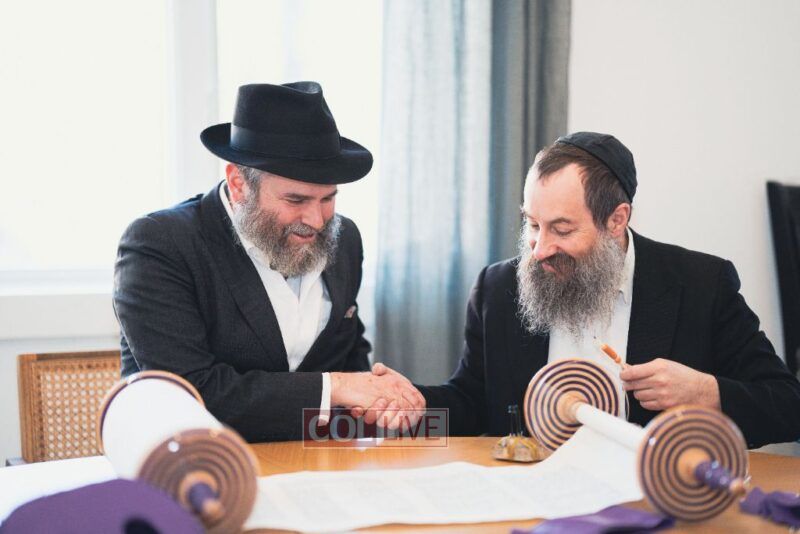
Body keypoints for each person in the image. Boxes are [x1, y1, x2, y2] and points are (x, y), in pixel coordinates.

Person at [375, 131, 800, 448]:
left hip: (649, 503)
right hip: (532, 500)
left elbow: (788, 405)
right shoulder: (498, 286)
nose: (539, 249)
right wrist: (412, 403)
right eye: (532, 224)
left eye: (561, 229)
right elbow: (473, 402)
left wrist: (707, 392)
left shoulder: (702, 285)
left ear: (617, 220)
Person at [113, 82, 423, 442]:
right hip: (197, 462)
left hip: (318, 461)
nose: (316, 220)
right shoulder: (160, 243)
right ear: (238, 183)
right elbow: (191, 391)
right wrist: (335, 387)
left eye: (327, 199)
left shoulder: (346, 238)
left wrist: (380, 400)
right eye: (296, 200)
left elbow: (350, 357)